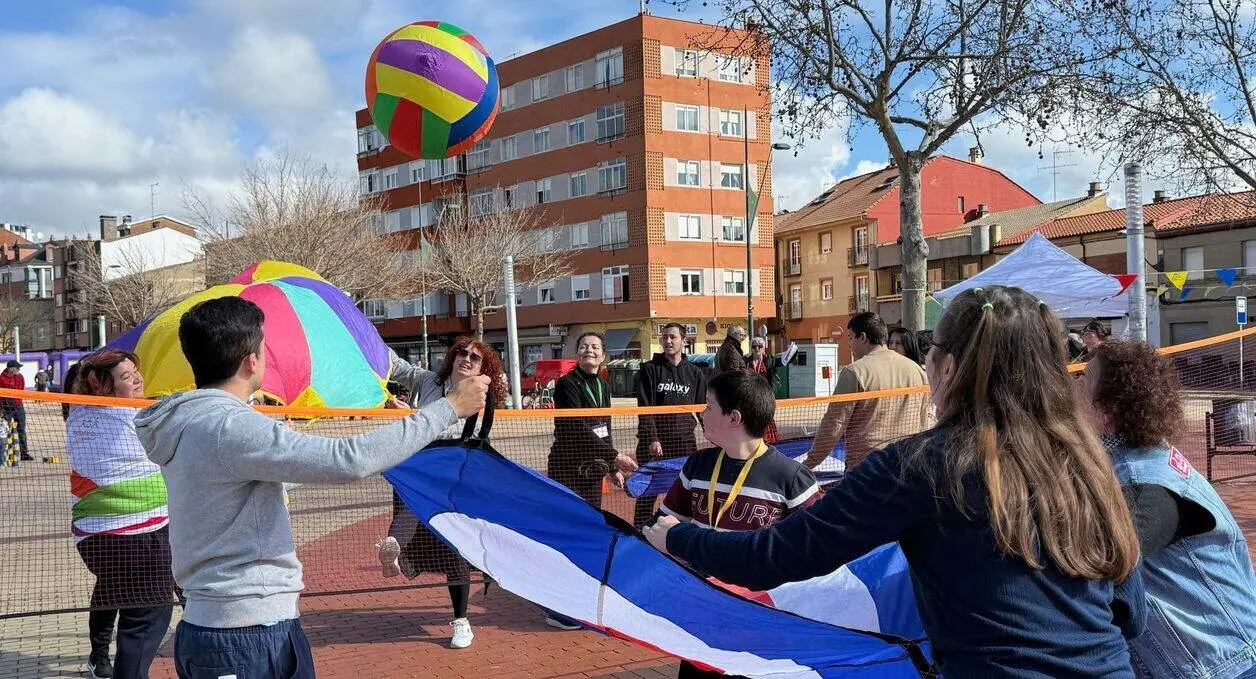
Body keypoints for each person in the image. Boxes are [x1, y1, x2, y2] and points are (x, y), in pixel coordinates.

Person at [644, 285, 1147, 678]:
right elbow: (1129, 614)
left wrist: (679, 538)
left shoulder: (923, 467)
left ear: (948, 368)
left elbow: (777, 556)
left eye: (930, 356)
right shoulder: (1089, 461)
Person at [134, 297, 489, 678]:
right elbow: (348, 459)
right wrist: (448, 408)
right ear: (251, 361)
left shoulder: (197, 419)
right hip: (243, 632)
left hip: (243, 624)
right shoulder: (229, 427)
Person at [1078, 340, 1256, 678]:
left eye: (1084, 379)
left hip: (1223, 666)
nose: (1073, 385)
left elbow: (1099, 553)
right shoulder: (1129, 458)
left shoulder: (1147, 484)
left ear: (1106, 411)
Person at [656, 371, 820, 679]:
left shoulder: (792, 479)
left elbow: (815, 554)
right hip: (703, 613)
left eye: (707, 406)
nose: (700, 413)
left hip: (760, 621)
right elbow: (664, 523)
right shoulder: (698, 465)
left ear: (734, 418)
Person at [377, 336, 507, 649]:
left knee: (455, 548)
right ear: (452, 357)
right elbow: (396, 365)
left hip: (454, 480)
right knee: (410, 507)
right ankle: (394, 548)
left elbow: (480, 441)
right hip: (419, 469)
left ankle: (461, 620)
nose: (466, 359)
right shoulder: (429, 381)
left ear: (482, 367)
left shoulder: (482, 397)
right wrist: (366, 339)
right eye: (461, 353)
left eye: (474, 357)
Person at [69, 350, 178, 679]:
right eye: (127, 376)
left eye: (136, 372)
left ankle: (98, 657)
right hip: (129, 533)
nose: (138, 379)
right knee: (147, 614)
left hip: (94, 537)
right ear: (103, 385)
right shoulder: (138, 416)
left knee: (114, 589)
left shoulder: (76, 411)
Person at [542, 331, 638, 630]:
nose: (589, 351)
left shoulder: (603, 384)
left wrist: (613, 466)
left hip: (593, 468)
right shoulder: (567, 384)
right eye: (584, 346)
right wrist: (615, 455)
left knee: (589, 530)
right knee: (566, 532)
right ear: (577, 353)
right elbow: (578, 427)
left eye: (595, 347)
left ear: (603, 354)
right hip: (568, 467)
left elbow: (603, 428)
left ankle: (579, 597)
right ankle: (557, 607)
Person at [802, 312, 931, 472]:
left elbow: (834, 424)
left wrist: (809, 463)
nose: (849, 344)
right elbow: (926, 419)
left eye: (850, 337)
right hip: (907, 463)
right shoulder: (916, 370)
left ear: (862, 337)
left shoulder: (854, 372)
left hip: (865, 468)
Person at [634, 323, 707, 526]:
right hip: (656, 444)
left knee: (683, 490)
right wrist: (652, 438)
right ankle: (639, 531)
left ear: (684, 341)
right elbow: (645, 408)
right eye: (665, 337)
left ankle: (679, 531)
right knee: (648, 492)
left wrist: (712, 432)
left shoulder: (695, 373)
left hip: (683, 442)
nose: (668, 341)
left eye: (673, 337)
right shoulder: (649, 370)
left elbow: (702, 408)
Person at [743, 337, 796, 443]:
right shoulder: (745, 361)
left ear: (764, 348)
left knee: (766, 417)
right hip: (751, 396)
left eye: (760, 346)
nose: (757, 348)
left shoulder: (770, 360)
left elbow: (785, 360)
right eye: (754, 346)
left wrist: (793, 349)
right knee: (752, 419)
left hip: (765, 396)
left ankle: (770, 441)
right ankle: (752, 440)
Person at [0, 359, 30, 461]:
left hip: (18, 406)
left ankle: (24, 453)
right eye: (17, 368)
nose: (19, 369)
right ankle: (2, 454)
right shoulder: (2, 378)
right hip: (6, 408)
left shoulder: (20, 377)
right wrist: (1, 408)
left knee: (22, 429)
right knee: (3, 430)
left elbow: (21, 390)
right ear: (11, 369)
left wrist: (17, 401)